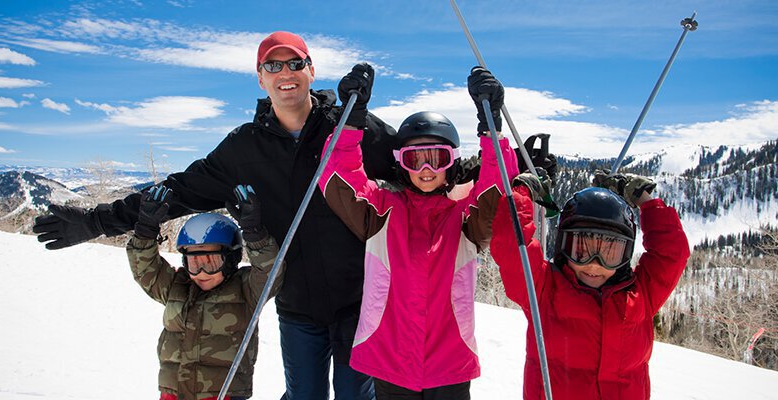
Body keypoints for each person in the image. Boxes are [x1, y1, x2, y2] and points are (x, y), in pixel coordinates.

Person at [33, 31, 401, 400]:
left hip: (361, 299)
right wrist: (96, 222)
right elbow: (178, 192)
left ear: (311, 70)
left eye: (295, 63)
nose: (285, 72)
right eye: (273, 65)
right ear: (260, 77)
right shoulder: (243, 148)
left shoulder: (351, 128)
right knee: (304, 395)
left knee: (358, 396)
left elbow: (420, 163)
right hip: (297, 306)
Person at [318, 66, 518, 399]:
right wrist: (351, 121)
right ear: (401, 163)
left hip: (449, 362)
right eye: (415, 160)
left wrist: (491, 127)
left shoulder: (466, 217)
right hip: (390, 359)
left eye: (436, 159)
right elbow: (339, 180)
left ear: (451, 162)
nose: (426, 170)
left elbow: (496, 193)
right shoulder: (382, 211)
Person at [490, 169, 691, 399]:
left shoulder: (640, 294)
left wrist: (643, 199)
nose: (595, 265)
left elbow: (672, 253)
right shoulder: (544, 289)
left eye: (610, 253)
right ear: (564, 247)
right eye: (581, 250)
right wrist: (523, 191)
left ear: (625, 255)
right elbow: (511, 245)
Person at [127, 184, 283, 400]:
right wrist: (145, 229)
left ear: (230, 260)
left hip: (223, 394)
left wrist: (255, 234)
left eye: (210, 262)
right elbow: (145, 269)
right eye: (194, 262)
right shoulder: (175, 286)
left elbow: (270, 271)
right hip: (173, 393)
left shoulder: (246, 290)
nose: (201, 272)